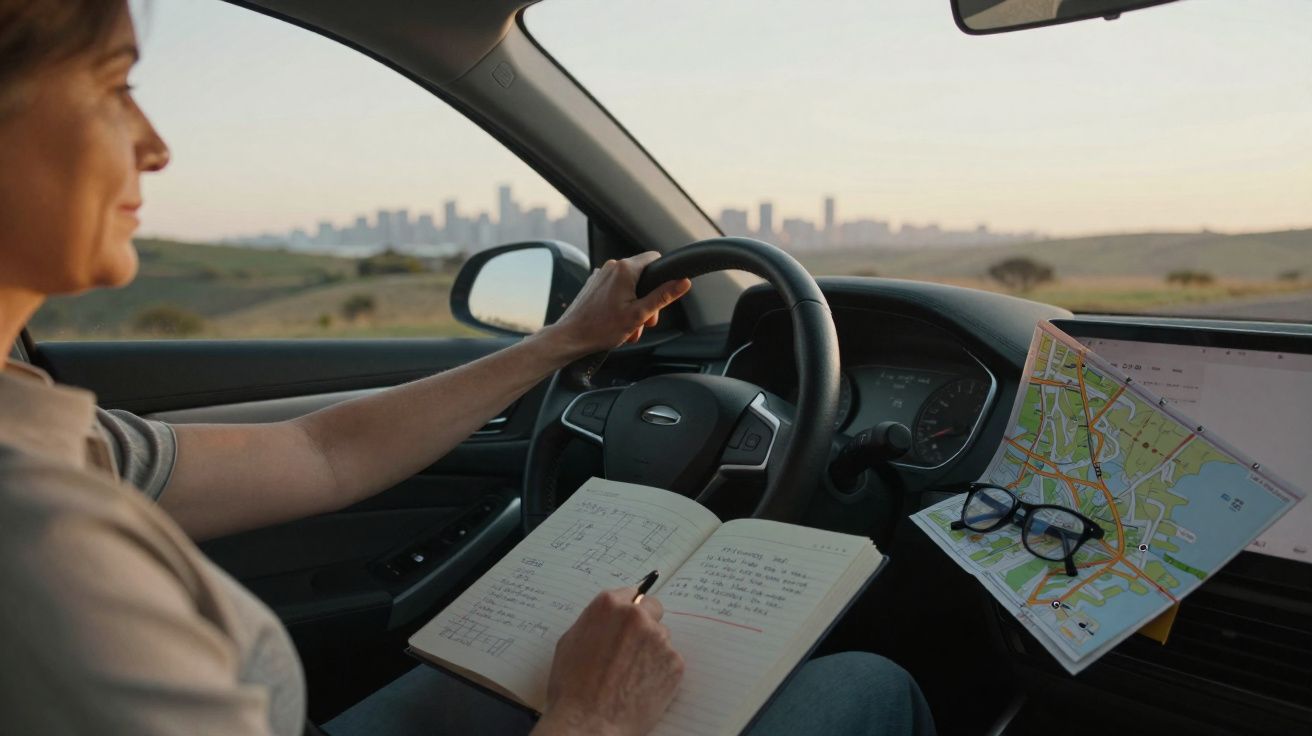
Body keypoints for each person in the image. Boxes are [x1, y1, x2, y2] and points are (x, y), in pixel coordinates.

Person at [0, 2, 935, 735]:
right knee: (869, 686)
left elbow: (321, 453)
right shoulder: (40, 545)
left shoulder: (46, 438)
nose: (155, 144)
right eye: (114, 85)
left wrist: (560, 344)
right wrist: (593, 717)